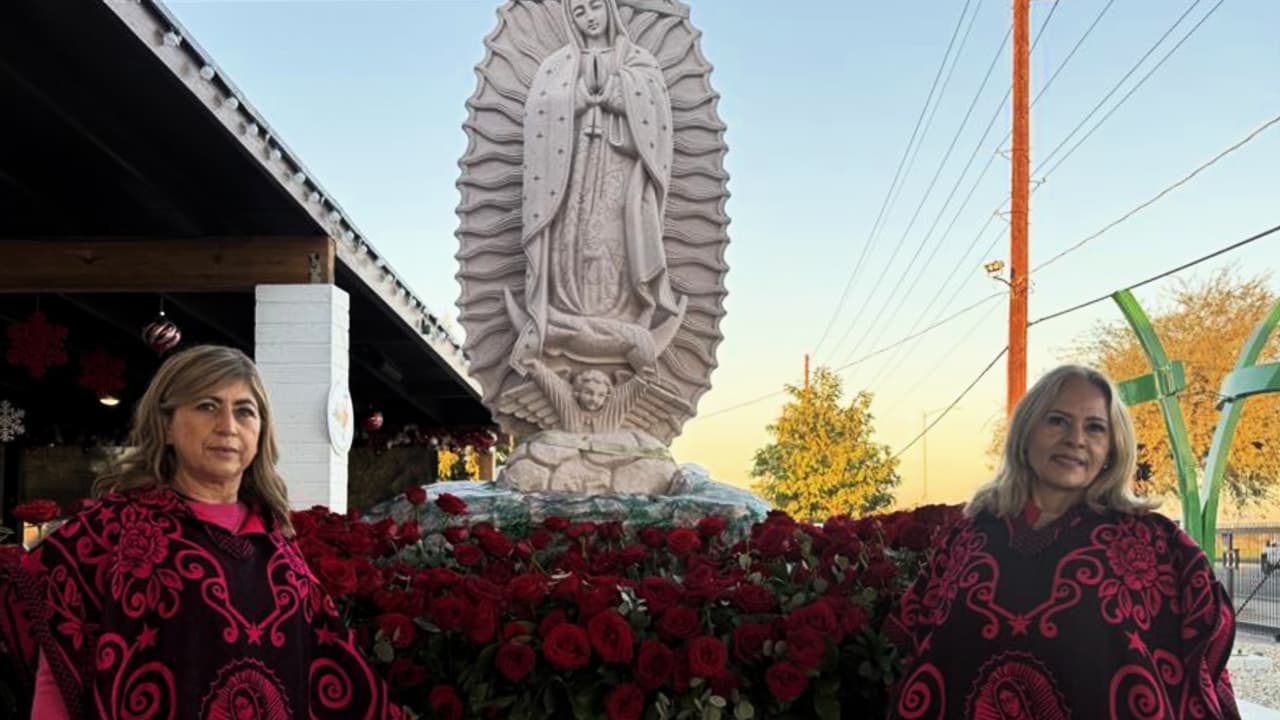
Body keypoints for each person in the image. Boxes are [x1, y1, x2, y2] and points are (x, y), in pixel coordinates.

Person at [17, 345, 402, 719]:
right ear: (166, 425)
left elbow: (332, 665)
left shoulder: (279, 547)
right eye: (207, 406)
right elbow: (58, 670)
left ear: (260, 432)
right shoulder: (111, 531)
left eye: (244, 411)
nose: (228, 426)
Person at [887, 365, 1239, 720]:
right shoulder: (969, 536)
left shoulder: (1152, 542)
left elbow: (1205, 643)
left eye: (1095, 427)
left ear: (1112, 448)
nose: (1076, 439)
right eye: (1057, 420)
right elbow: (923, 640)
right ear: (1026, 432)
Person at [510, 0, 684, 376]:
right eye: (579, 12)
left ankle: (622, 317)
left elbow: (656, 112)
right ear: (570, 19)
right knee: (570, 237)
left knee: (611, 238)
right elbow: (538, 112)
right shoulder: (557, 65)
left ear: (609, 9)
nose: (589, 17)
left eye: (594, 7)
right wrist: (573, 99)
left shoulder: (639, 61)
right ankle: (564, 311)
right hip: (569, 173)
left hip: (620, 170)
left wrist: (616, 93)